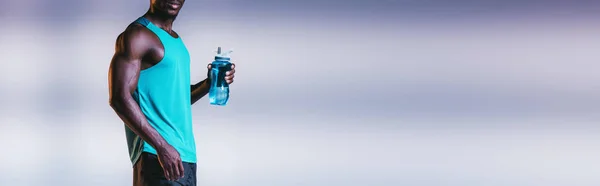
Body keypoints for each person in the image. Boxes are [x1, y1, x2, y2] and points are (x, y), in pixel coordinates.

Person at [108, 0, 236, 185]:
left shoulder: (176, 41)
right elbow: (119, 98)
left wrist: (208, 84)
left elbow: (177, 100)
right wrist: (162, 147)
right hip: (157, 156)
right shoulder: (137, 35)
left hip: (184, 158)